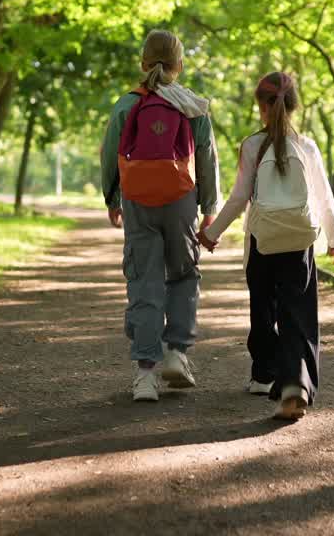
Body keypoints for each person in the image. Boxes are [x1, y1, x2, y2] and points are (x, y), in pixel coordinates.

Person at [198, 71, 334, 420]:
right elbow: (324, 198)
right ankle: (295, 384)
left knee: (263, 311)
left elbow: (237, 199)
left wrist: (212, 232)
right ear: (294, 105)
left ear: (261, 107)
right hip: (298, 242)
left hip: (262, 242)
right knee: (298, 314)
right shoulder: (307, 147)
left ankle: (265, 372)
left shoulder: (251, 145)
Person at [100, 30, 220, 402]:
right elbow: (207, 158)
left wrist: (112, 197)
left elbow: (109, 156)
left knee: (143, 279)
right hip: (181, 199)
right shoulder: (192, 106)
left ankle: (145, 375)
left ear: (143, 64)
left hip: (138, 200)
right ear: (179, 66)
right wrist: (209, 207)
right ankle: (177, 353)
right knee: (183, 274)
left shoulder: (126, 105)